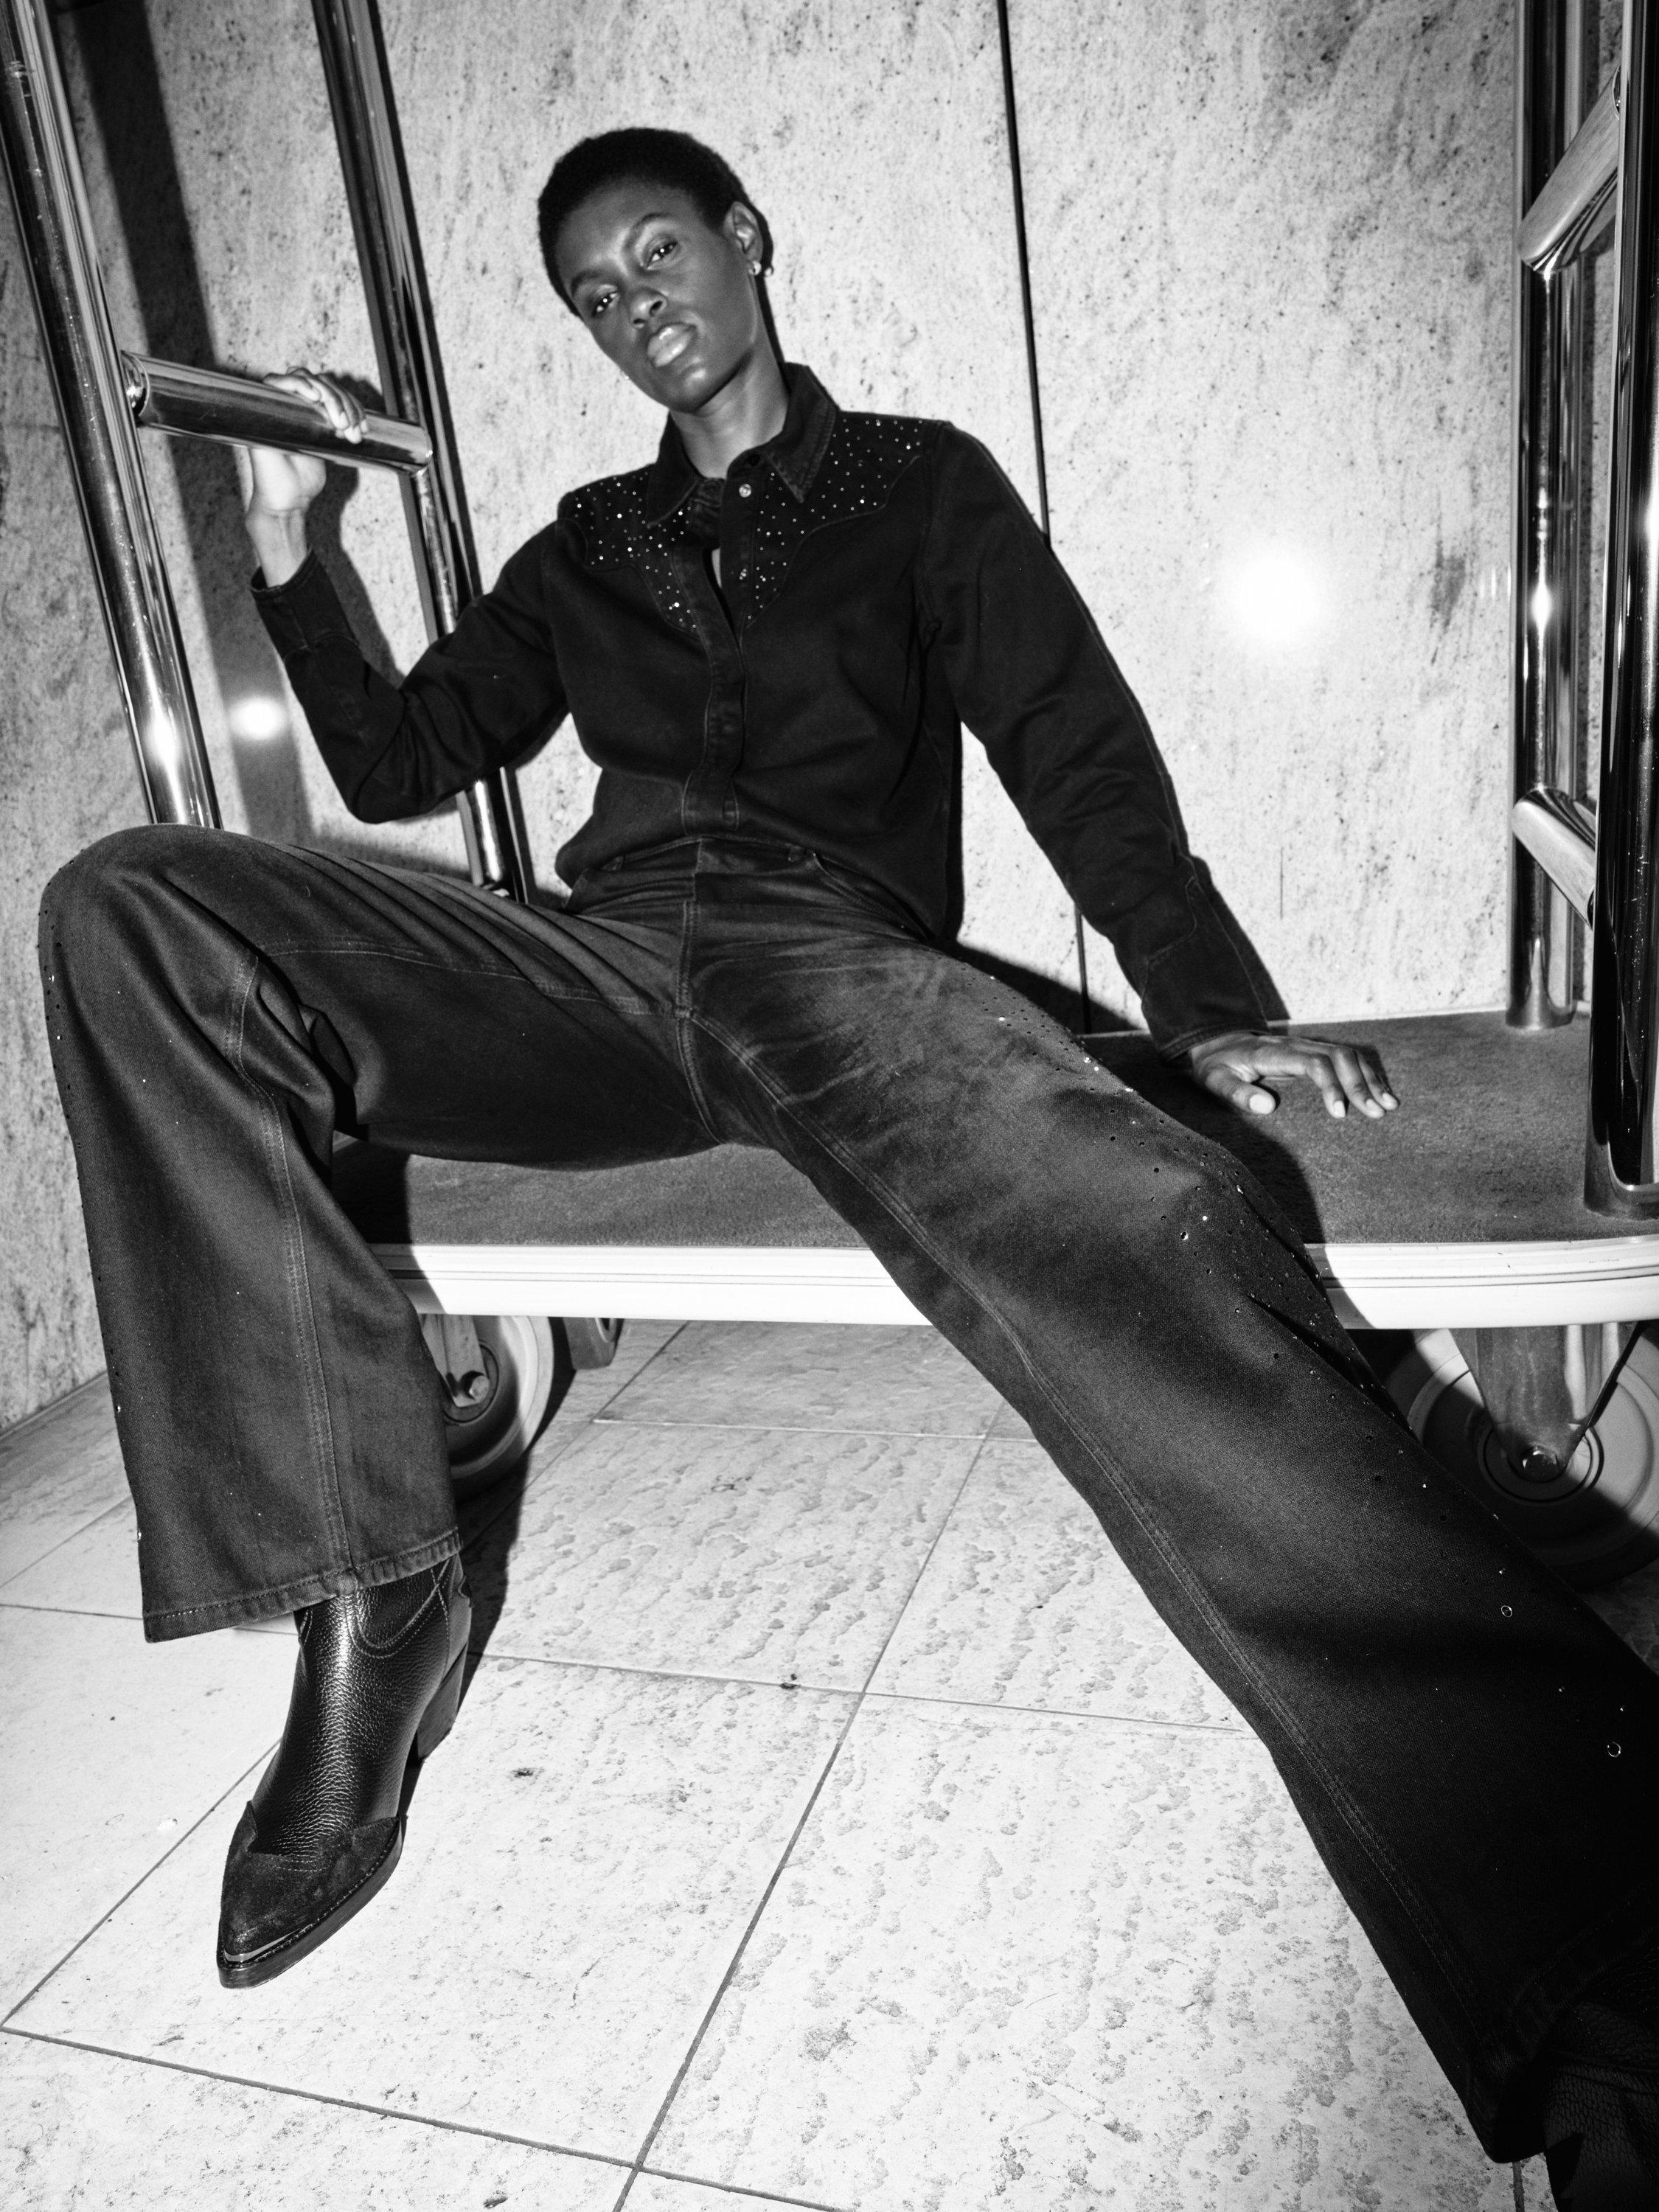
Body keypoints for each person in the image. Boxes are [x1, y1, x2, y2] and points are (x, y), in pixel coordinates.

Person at [34, 126, 1659, 2208]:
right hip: (602, 968)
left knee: (1133, 1215)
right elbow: (400, 761)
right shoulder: (585, 545)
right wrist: (288, 553)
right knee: (133, 904)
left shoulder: (917, 488)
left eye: (658, 254)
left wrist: (1206, 1013)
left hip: (836, 959)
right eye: (593, 296)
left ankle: (1607, 1968)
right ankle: (373, 1586)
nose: (636, 308)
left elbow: (1074, 753)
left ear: (747, 241)